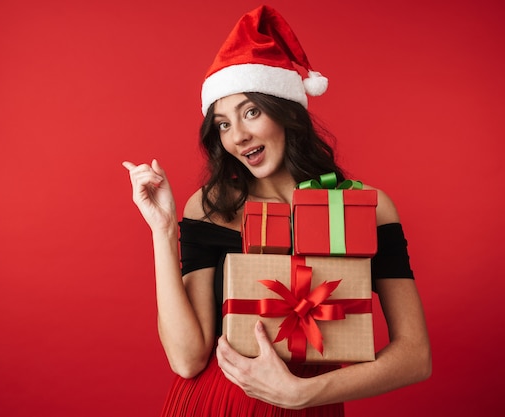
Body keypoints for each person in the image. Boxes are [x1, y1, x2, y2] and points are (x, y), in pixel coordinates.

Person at [123, 5, 431, 416]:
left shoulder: (364, 207)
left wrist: (303, 393)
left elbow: (415, 357)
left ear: (286, 111)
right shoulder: (212, 207)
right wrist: (162, 230)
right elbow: (187, 359)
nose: (239, 135)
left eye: (251, 111)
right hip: (216, 404)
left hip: (312, 405)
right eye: (223, 124)